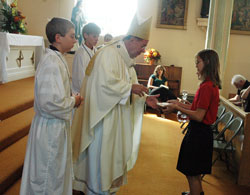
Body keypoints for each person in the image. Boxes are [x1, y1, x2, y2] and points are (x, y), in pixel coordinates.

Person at [71, 14, 159, 194]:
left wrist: (143, 98)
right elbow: (102, 85)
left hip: (116, 119)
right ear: (132, 40)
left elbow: (130, 87)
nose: (143, 51)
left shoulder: (125, 59)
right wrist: (129, 88)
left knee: (110, 159)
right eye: (142, 45)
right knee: (101, 162)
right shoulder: (108, 54)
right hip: (103, 120)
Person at [20, 17, 83, 195]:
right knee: (47, 176)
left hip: (55, 126)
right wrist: (74, 101)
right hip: (49, 129)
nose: (75, 39)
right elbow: (49, 103)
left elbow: (55, 94)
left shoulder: (57, 58)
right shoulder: (51, 63)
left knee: (54, 174)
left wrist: (69, 96)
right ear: (58, 37)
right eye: (72, 35)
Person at [163, 49, 221, 195]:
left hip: (199, 132)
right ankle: (196, 192)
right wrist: (179, 103)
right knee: (194, 171)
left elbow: (199, 116)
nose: (196, 65)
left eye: (198, 62)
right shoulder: (207, 84)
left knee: (192, 172)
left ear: (207, 63)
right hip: (200, 132)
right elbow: (196, 108)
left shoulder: (207, 87)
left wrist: (176, 107)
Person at [72, 22, 101, 94]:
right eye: (94, 36)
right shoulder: (80, 53)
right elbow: (80, 78)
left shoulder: (95, 50)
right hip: (82, 91)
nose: (97, 39)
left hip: (93, 87)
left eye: (98, 36)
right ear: (85, 35)